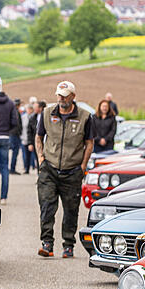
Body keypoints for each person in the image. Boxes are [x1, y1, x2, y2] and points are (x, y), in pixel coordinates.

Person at [35, 81, 94, 258]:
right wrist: (40, 159)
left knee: (71, 210)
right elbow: (38, 137)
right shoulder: (47, 113)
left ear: (73, 97)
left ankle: (68, 244)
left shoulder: (85, 116)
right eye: (59, 95)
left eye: (65, 95)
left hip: (72, 170)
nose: (61, 99)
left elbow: (89, 143)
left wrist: (83, 166)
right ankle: (47, 243)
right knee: (46, 206)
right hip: (49, 169)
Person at [26, 100, 45, 172]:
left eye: (35, 107)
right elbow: (29, 131)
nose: (34, 109)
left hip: (46, 142)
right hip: (36, 142)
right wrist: (30, 143)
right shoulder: (32, 118)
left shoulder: (47, 116)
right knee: (38, 159)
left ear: (40, 108)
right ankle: (39, 176)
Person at [9, 99, 24, 175]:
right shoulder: (15, 112)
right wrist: (19, 132)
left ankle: (12, 168)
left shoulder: (12, 111)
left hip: (13, 134)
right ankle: (12, 168)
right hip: (14, 135)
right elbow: (17, 124)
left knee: (14, 152)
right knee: (15, 152)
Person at [19, 101, 33, 173]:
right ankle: (26, 167)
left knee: (30, 155)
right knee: (24, 154)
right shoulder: (23, 117)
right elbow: (21, 127)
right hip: (24, 138)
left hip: (31, 139)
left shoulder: (34, 116)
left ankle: (29, 167)